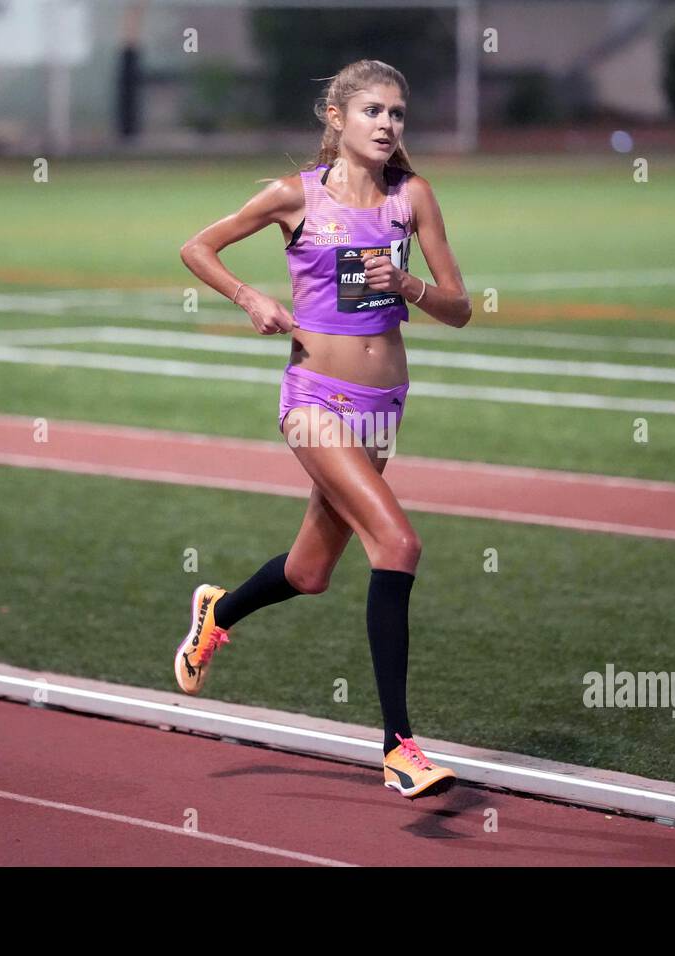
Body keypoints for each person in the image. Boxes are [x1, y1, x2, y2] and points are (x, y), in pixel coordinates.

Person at [176, 59, 471, 798]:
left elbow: (461, 307)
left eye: (398, 113)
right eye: (373, 110)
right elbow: (197, 248)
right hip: (313, 399)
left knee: (310, 573)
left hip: (384, 405)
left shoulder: (414, 197)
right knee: (397, 544)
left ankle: (219, 610)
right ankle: (400, 746)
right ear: (335, 118)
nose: (388, 124)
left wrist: (408, 286)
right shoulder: (293, 196)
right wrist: (251, 299)